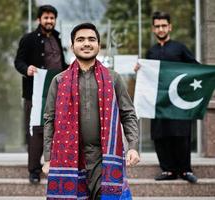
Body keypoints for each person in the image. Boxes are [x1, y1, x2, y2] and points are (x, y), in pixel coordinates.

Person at [42, 23, 140, 200]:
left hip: (105, 157)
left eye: (91, 39)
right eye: (80, 40)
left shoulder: (113, 78)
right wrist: (48, 157)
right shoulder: (59, 80)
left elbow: (128, 114)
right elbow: (50, 119)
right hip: (69, 157)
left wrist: (133, 146)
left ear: (99, 45)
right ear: (72, 47)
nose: (86, 43)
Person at [135, 11, 198, 183]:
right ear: (153, 29)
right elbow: (148, 77)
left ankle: (185, 170)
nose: (161, 29)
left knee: (181, 135)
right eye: (157, 26)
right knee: (161, 135)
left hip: (178, 102)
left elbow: (195, 68)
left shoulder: (180, 48)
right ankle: (168, 170)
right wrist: (140, 70)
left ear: (170, 27)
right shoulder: (151, 52)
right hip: (159, 103)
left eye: (164, 25)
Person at [14, 5, 67, 184]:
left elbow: (62, 64)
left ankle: (54, 165)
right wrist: (27, 69)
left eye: (52, 18)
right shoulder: (28, 39)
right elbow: (18, 61)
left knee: (57, 129)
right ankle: (34, 171)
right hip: (35, 94)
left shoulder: (58, 38)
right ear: (39, 20)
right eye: (46, 18)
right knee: (36, 131)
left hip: (57, 93)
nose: (49, 21)